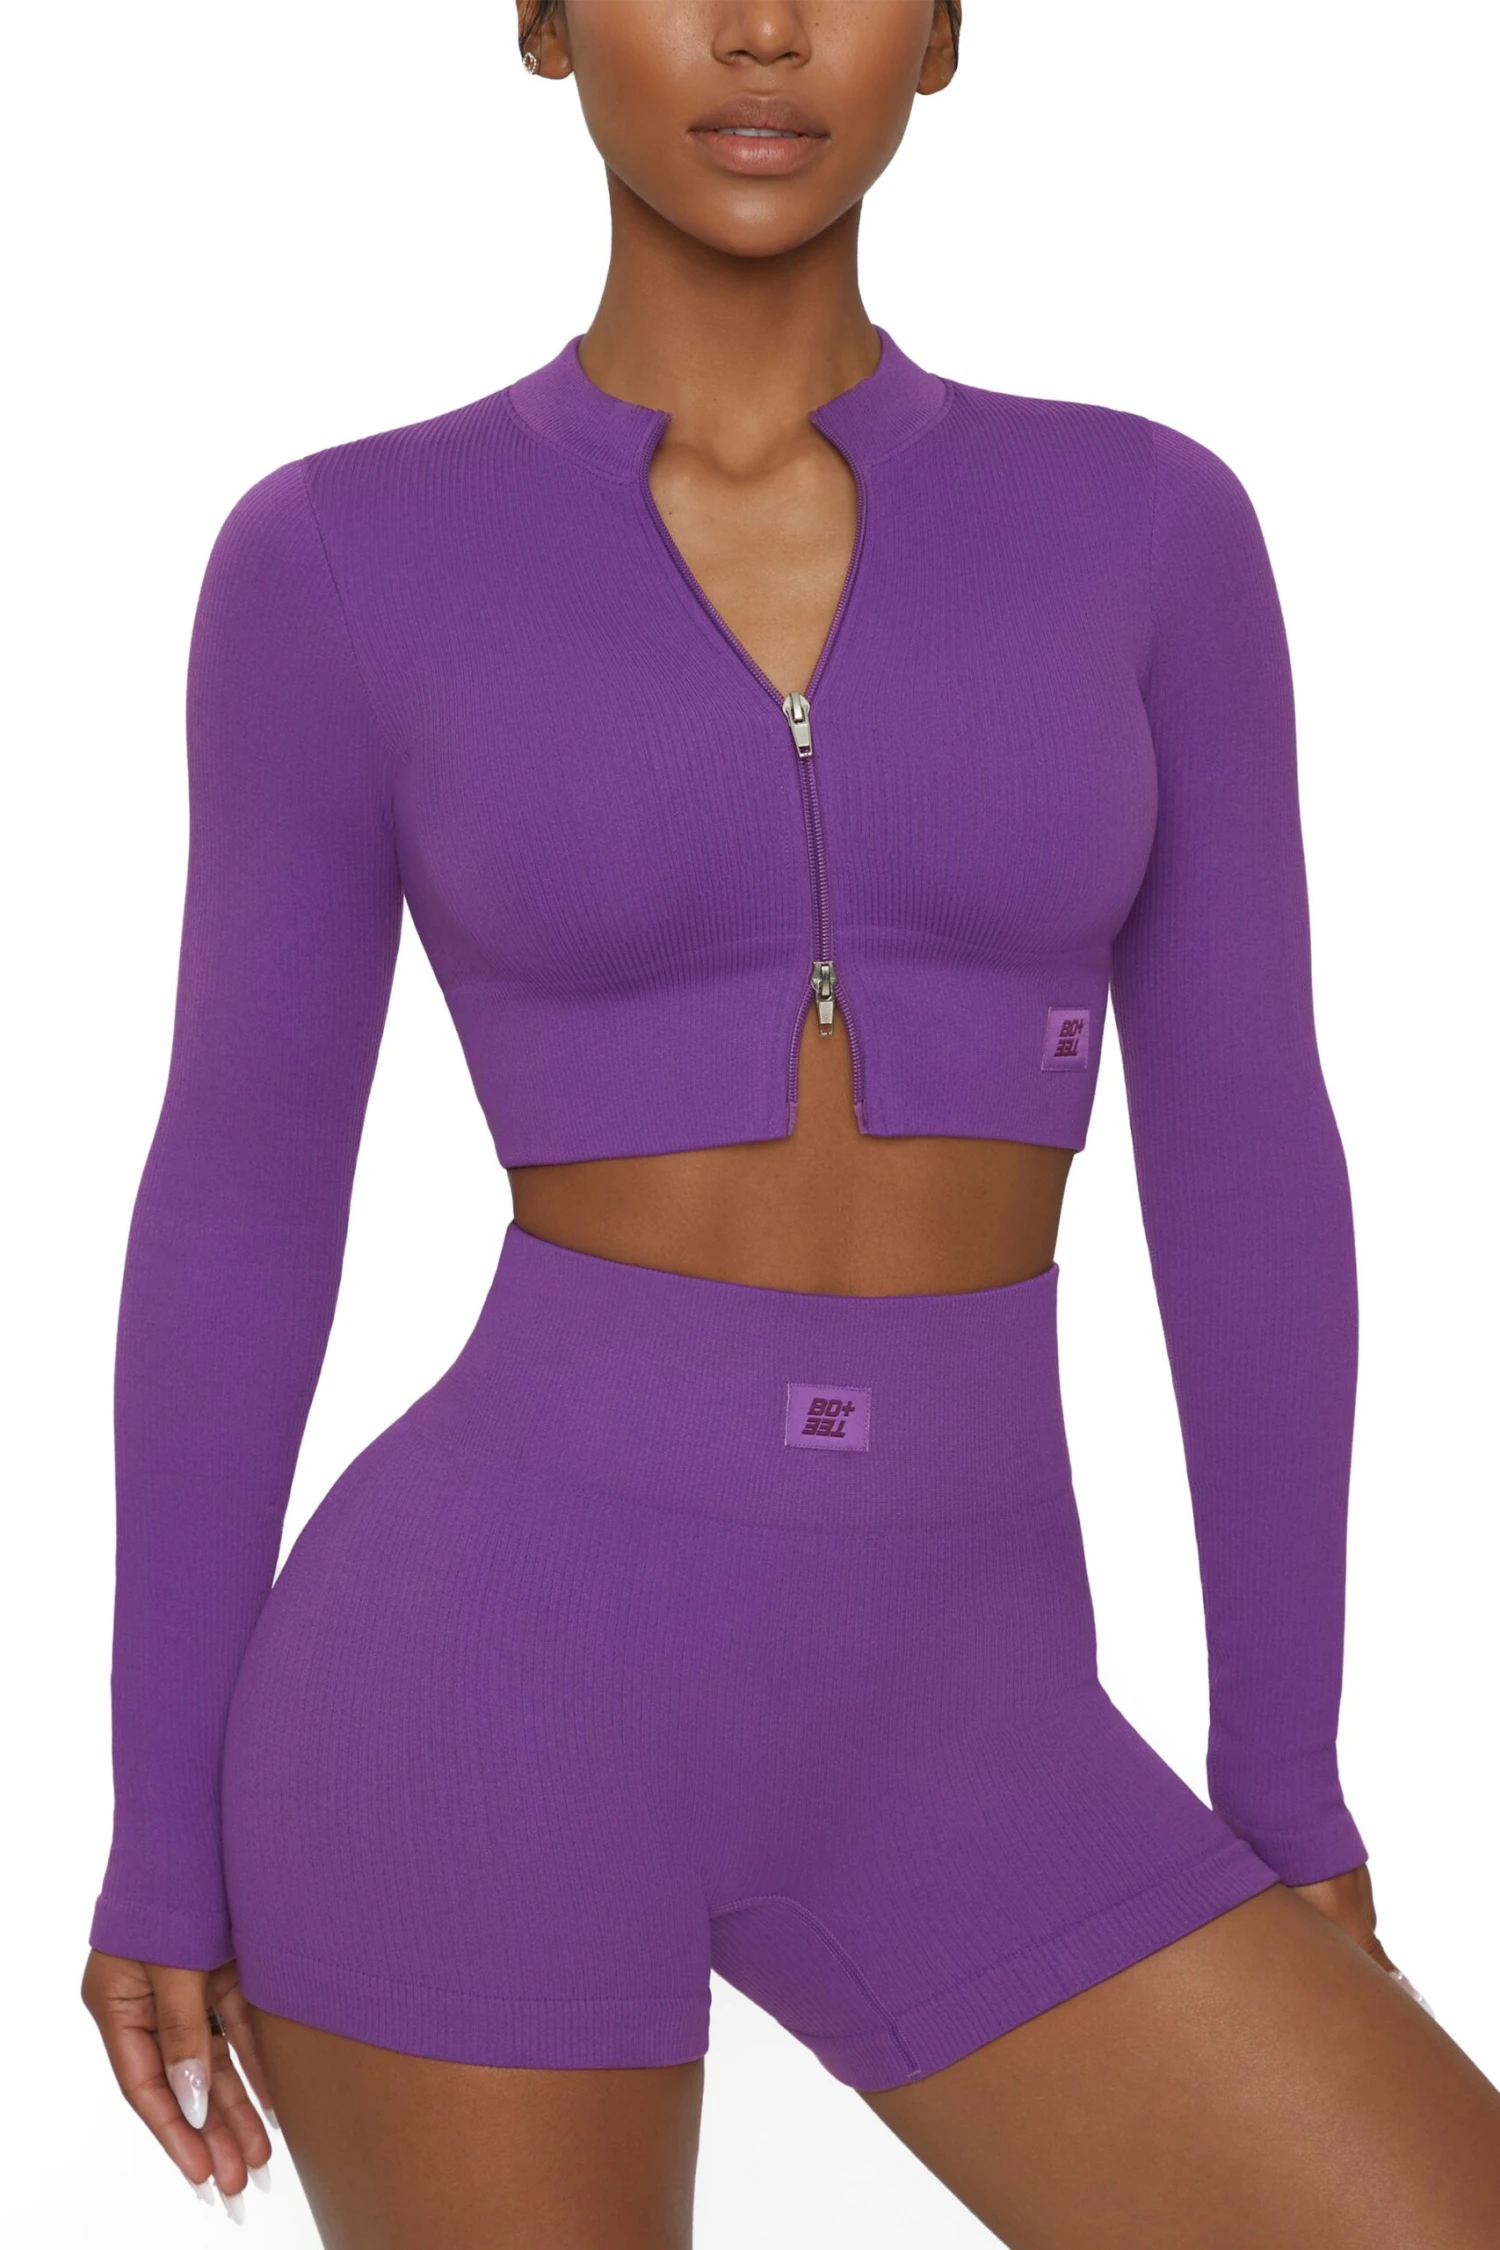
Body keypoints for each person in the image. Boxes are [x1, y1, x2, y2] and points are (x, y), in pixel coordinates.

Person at [80, 3, 1500, 2242]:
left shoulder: (1147, 527)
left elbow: (1246, 1157)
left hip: (972, 1701)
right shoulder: (341, 554)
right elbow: (242, 1193)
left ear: (941, 28)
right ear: (542, 19)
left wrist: (1286, 1771)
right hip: (477, 1696)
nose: (763, 28)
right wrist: (161, 1828)